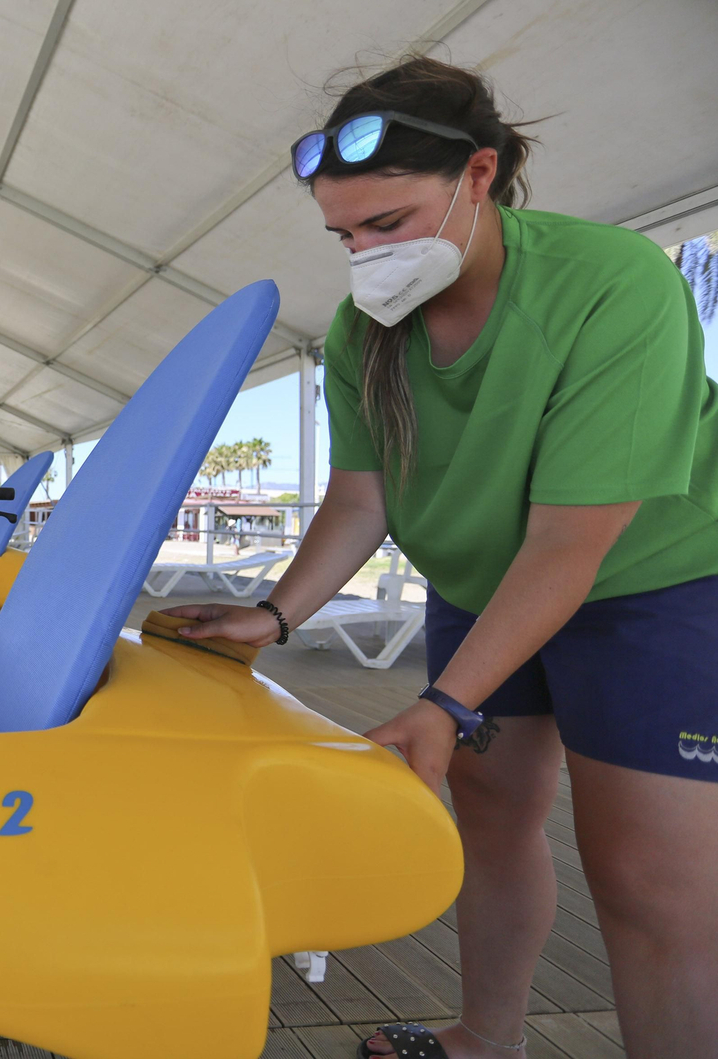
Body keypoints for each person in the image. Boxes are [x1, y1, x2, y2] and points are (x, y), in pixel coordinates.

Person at [168, 58, 718, 1058]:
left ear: (477, 175)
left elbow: (569, 540)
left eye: (387, 223)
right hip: (478, 585)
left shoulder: (611, 283)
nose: (365, 255)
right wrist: (276, 614)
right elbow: (361, 496)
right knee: (492, 809)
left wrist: (445, 703)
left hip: (649, 587)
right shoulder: (363, 325)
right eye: (344, 235)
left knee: (646, 879)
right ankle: (486, 1036)